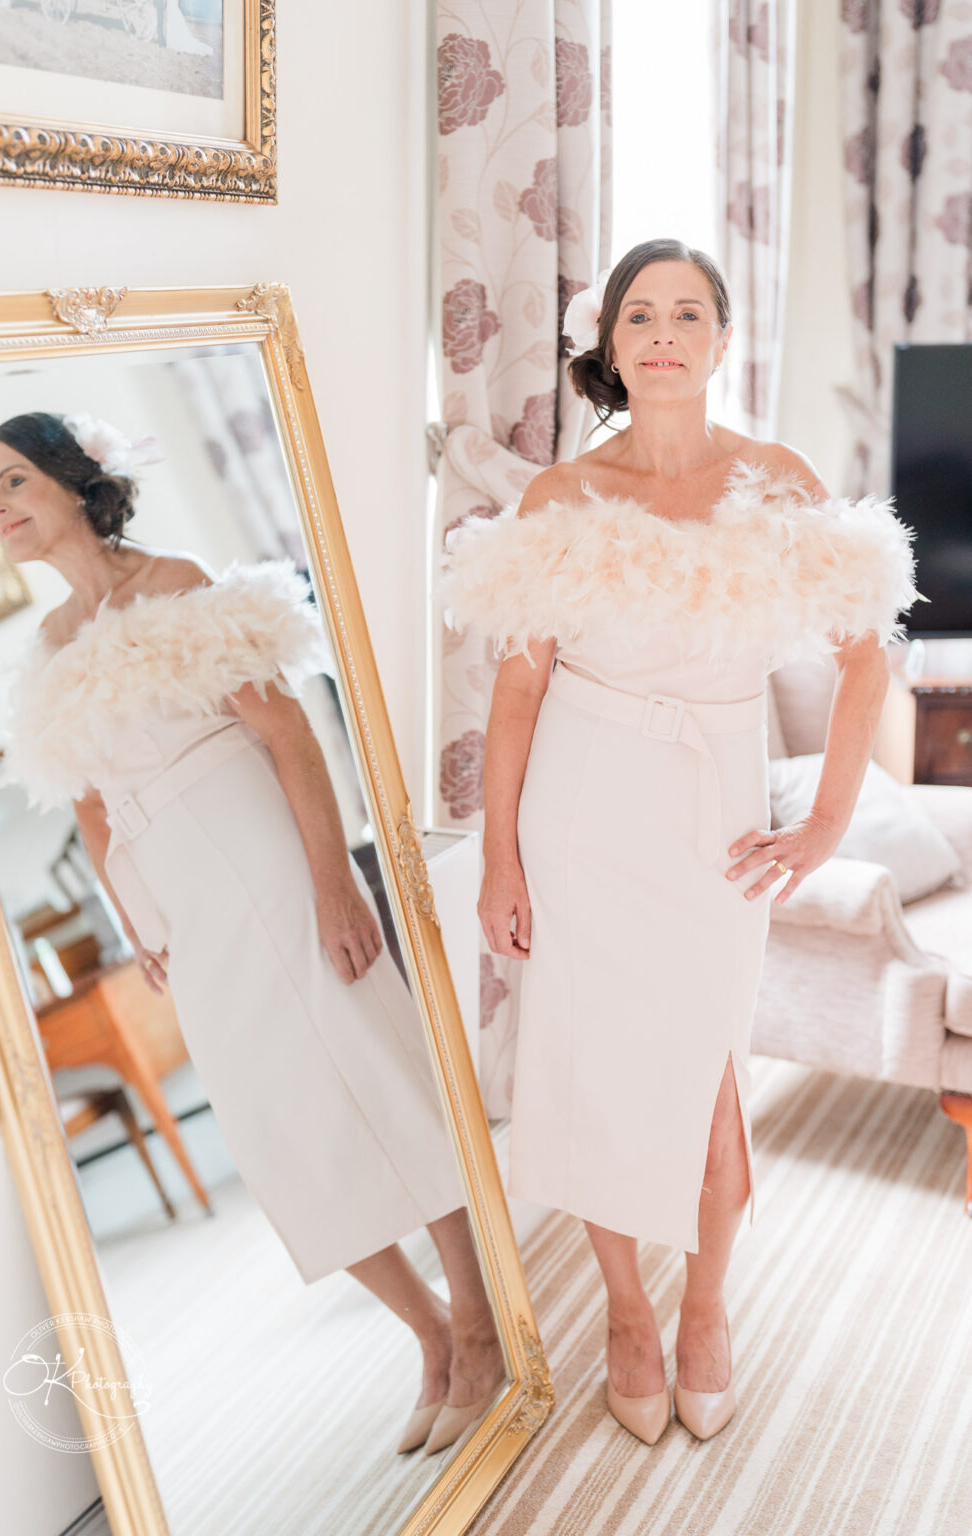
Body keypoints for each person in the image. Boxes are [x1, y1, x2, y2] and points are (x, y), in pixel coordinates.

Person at [440, 239, 918, 1445]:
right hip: (578, 802)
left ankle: (703, 1309)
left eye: (686, 312)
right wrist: (499, 856)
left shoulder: (779, 481)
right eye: (638, 314)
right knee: (590, 1070)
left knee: (705, 1081)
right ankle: (625, 1314)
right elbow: (514, 698)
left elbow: (867, 655)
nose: (661, 331)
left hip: (712, 799)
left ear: (719, 340)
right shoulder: (558, 498)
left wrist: (823, 819)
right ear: (607, 345)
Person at [0, 411, 503, 1457]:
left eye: (12, 485)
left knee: (372, 1076)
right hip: (179, 896)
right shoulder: (44, 650)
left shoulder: (174, 585)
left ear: (76, 484)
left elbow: (286, 729)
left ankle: (485, 1328)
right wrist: (138, 919)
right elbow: (85, 801)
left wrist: (333, 885)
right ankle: (433, 1336)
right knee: (275, 1132)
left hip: (264, 859)